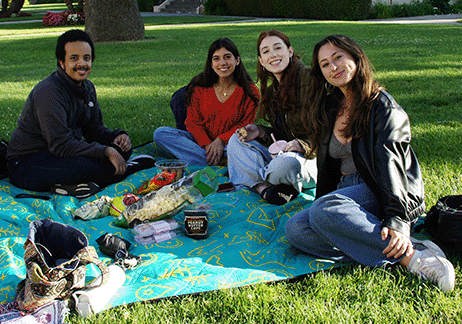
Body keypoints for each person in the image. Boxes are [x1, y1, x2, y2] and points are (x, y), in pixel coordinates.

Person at [285, 34, 455, 293]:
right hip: (344, 190)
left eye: (338, 57)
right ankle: (387, 245)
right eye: (325, 64)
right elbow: (327, 165)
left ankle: (413, 257)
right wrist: (324, 201)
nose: (333, 67)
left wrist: (397, 219)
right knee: (296, 229)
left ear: (356, 57)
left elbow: (391, 163)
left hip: (380, 187)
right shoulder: (331, 106)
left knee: (324, 211)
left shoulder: (384, 108)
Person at [6, 29, 154, 199]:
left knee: (121, 150)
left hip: (61, 154)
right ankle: (128, 169)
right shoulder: (48, 93)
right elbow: (60, 144)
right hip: (28, 162)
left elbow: (93, 129)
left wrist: (116, 137)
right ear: (62, 62)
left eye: (87, 58)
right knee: (88, 167)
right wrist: (106, 152)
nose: (82, 64)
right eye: (74, 58)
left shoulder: (87, 87)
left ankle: (76, 185)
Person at [227, 30, 317, 205]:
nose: (273, 55)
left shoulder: (310, 79)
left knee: (286, 165)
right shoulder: (273, 91)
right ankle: (266, 189)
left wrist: (303, 145)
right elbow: (282, 134)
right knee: (235, 142)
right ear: (261, 61)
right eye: (266, 51)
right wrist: (260, 132)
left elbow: (329, 130)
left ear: (290, 52)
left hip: (312, 158)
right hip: (286, 152)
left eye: (278, 48)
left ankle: (256, 180)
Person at [153, 37, 260, 166]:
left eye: (227, 57)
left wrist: (221, 140)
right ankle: (219, 161)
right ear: (211, 64)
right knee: (160, 133)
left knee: (250, 147)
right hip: (199, 143)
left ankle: (203, 160)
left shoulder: (250, 91)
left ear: (237, 60)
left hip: (230, 144)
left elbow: (244, 125)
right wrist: (208, 144)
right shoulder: (200, 87)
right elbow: (193, 122)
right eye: (216, 59)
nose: (222, 63)